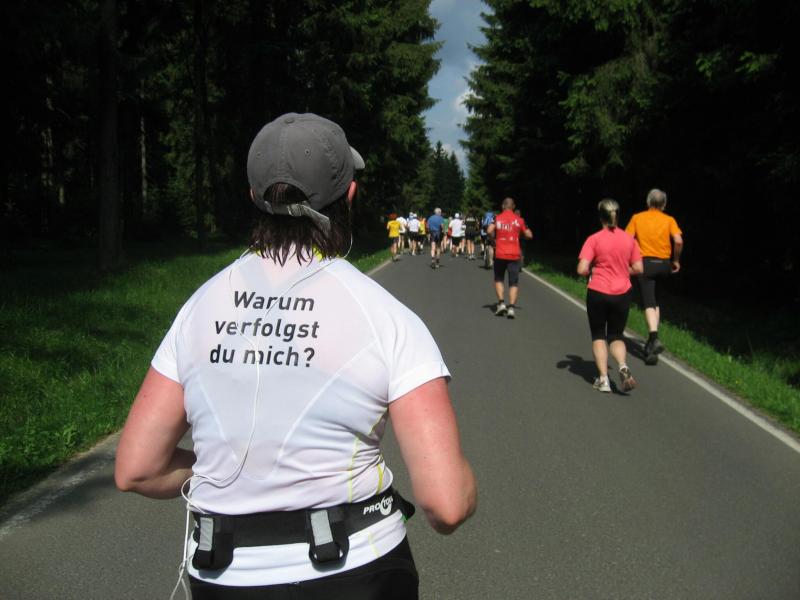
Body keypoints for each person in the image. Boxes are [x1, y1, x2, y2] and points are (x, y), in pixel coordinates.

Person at [115, 113, 477, 600]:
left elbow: (137, 468)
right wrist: (469, 486)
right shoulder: (386, 316)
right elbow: (447, 505)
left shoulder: (198, 307)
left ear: (253, 196)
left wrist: (242, 479)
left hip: (225, 574)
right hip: (357, 569)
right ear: (349, 195)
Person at [577, 198, 643, 392]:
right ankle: (623, 366)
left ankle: (604, 379)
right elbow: (639, 268)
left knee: (598, 335)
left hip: (598, 292)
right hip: (622, 293)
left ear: (600, 217)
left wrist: (593, 270)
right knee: (616, 336)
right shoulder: (629, 239)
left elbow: (581, 269)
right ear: (618, 216)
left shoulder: (594, 239)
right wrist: (622, 271)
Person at [624, 188, 683, 364]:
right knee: (656, 301)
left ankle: (654, 337)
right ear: (664, 204)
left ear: (648, 202)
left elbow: (627, 240)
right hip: (664, 265)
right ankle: (651, 347)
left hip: (646, 264)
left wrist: (629, 259)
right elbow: (678, 240)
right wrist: (676, 260)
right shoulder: (669, 220)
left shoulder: (637, 218)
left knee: (648, 302)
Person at [487, 198, 532, 319]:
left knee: (499, 279)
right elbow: (529, 234)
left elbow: (489, 230)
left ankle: (501, 303)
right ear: (513, 206)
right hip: (514, 254)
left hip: (500, 253)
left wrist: (493, 240)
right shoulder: (519, 220)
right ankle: (511, 308)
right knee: (513, 282)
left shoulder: (497, 218)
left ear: (503, 206)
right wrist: (521, 235)